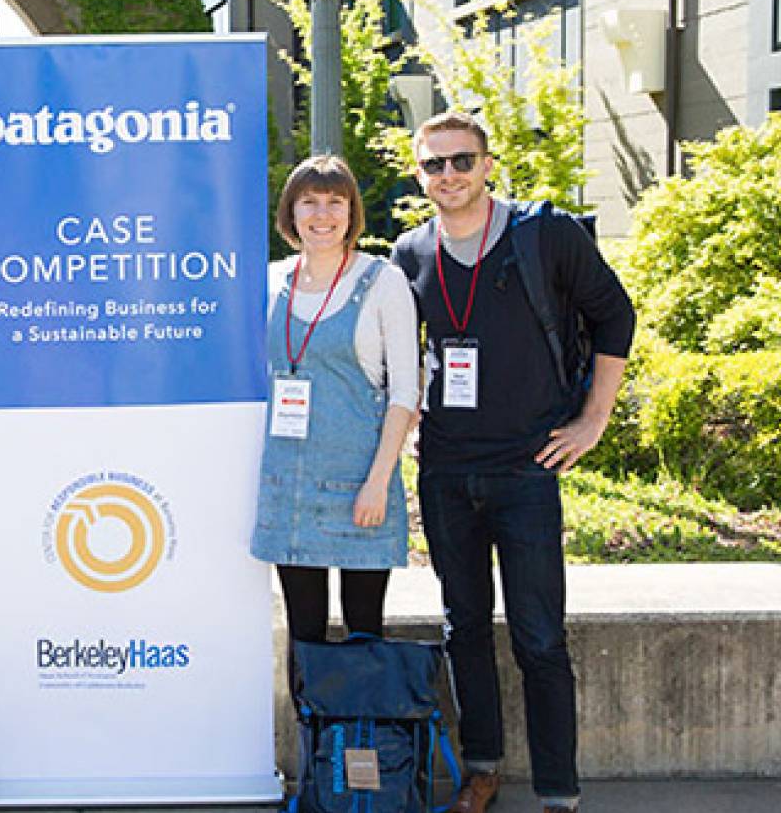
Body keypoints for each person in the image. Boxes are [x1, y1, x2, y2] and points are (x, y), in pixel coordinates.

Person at [389, 112, 635, 813]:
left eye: (461, 160)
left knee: (538, 636)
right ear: (419, 175)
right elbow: (398, 352)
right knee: (462, 626)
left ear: (488, 164)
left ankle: (559, 790)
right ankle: (483, 767)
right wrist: (405, 425)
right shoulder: (410, 253)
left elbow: (615, 314)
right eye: (434, 165)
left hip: (527, 467)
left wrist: (593, 419)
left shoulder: (542, 234)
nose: (448, 176)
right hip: (444, 469)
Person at [253, 155, 419, 648]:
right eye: (309, 202)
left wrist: (378, 482)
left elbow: (405, 391)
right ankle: (313, 729)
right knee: (303, 638)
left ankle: (360, 730)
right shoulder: (270, 280)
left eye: (335, 203)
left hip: (360, 486)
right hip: (290, 487)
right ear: (290, 212)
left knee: (364, 635)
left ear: (351, 214)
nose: (322, 215)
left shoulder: (382, 280)